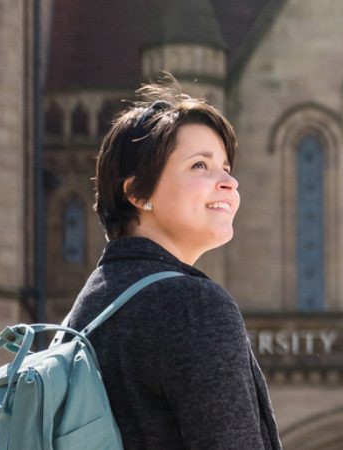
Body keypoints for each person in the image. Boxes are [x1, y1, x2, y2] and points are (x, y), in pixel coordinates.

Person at [59, 73, 282, 449]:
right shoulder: (193, 306)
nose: (229, 182)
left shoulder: (83, 314)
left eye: (226, 167)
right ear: (137, 193)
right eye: (200, 165)